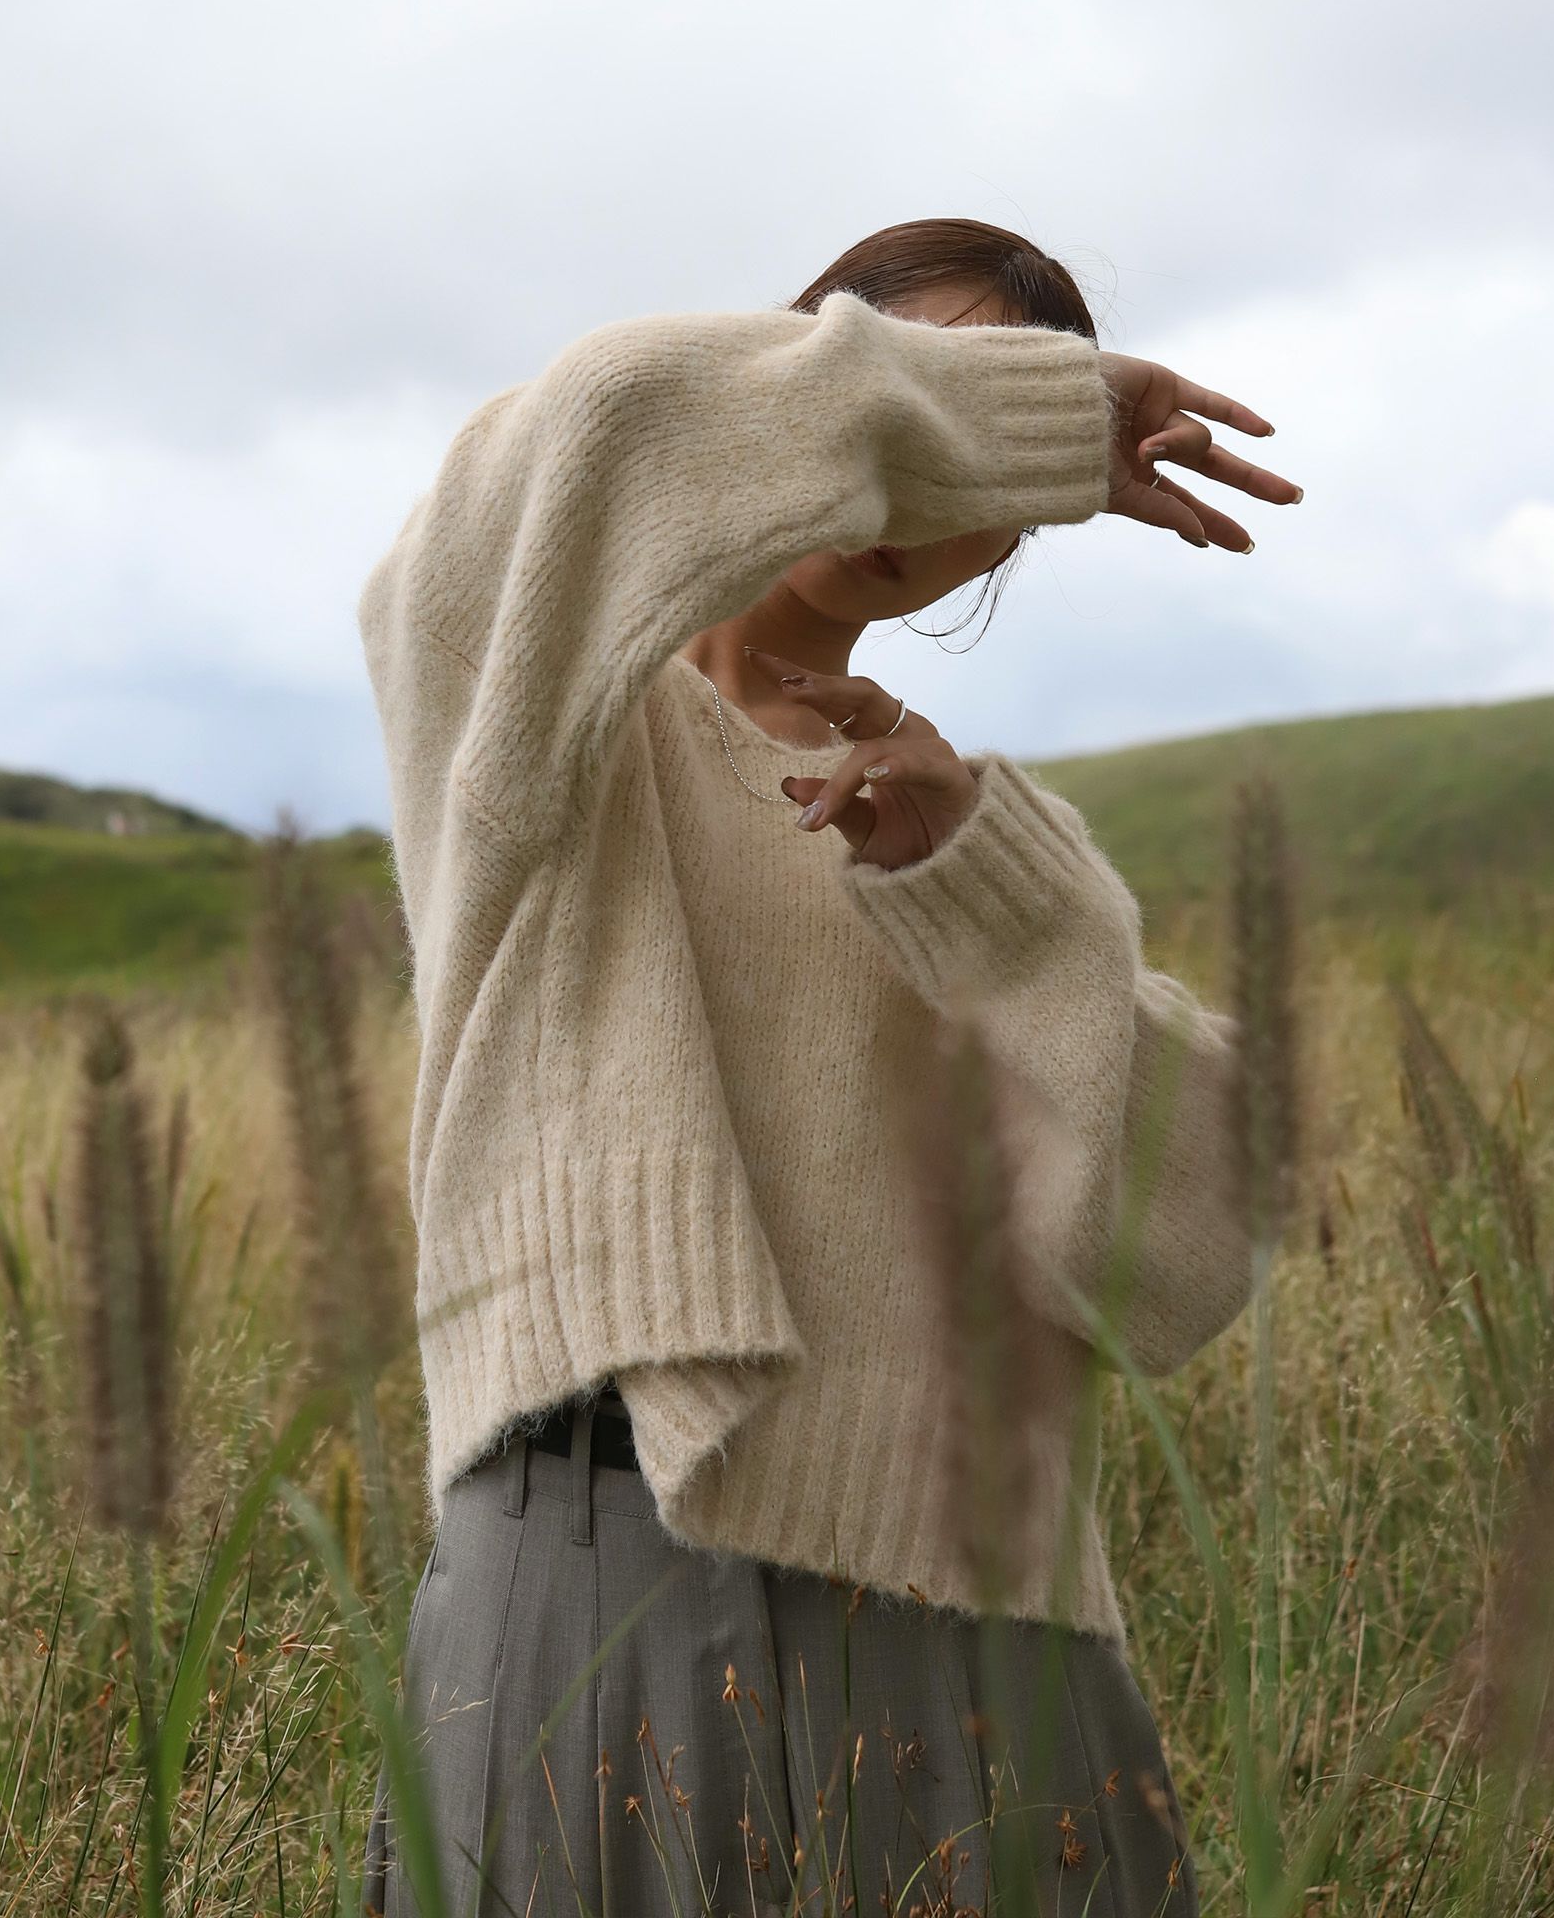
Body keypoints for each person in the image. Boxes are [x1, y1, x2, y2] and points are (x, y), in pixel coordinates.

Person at [357, 216, 1300, 1918]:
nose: (925, 488)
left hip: (975, 1617)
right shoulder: (528, 705)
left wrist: (991, 901)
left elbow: (1195, 1239)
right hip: (592, 1561)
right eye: (915, 395)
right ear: (800, 383)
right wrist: (1029, 409)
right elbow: (612, 411)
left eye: (981, 465)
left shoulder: (947, 818)